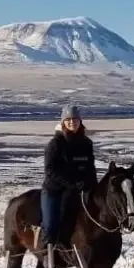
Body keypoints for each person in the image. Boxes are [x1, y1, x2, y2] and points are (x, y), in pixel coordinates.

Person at [39, 104, 98, 251]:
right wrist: (73, 183)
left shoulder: (86, 143)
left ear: (80, 121)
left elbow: (90, 167)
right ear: (63, 122)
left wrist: (93, 185)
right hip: (55, 191)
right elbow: (50, 170)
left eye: (75, 119)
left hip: (79, 191)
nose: (72, 122)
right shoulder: (55, 144)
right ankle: (48, 253)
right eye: (68, 119)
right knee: (51, 225)